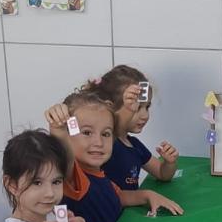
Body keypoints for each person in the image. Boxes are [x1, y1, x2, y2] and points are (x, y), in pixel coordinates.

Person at [45, 90, 183, 222]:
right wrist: (58, 130)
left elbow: (117, 196)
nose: (98, 142)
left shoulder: (99, 175)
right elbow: (62, 154)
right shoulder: (72, 176)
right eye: (87, 132)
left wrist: (147, 195)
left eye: (106, 134)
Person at [46, 65, 179, 190]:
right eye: (137, 107)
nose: (144, 115)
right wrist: (58, 119)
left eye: (147, 107)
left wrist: (169, 163)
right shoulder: (103, 146)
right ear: (110, 106)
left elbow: (162, 173)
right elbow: (63, 148)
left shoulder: (134, 145)